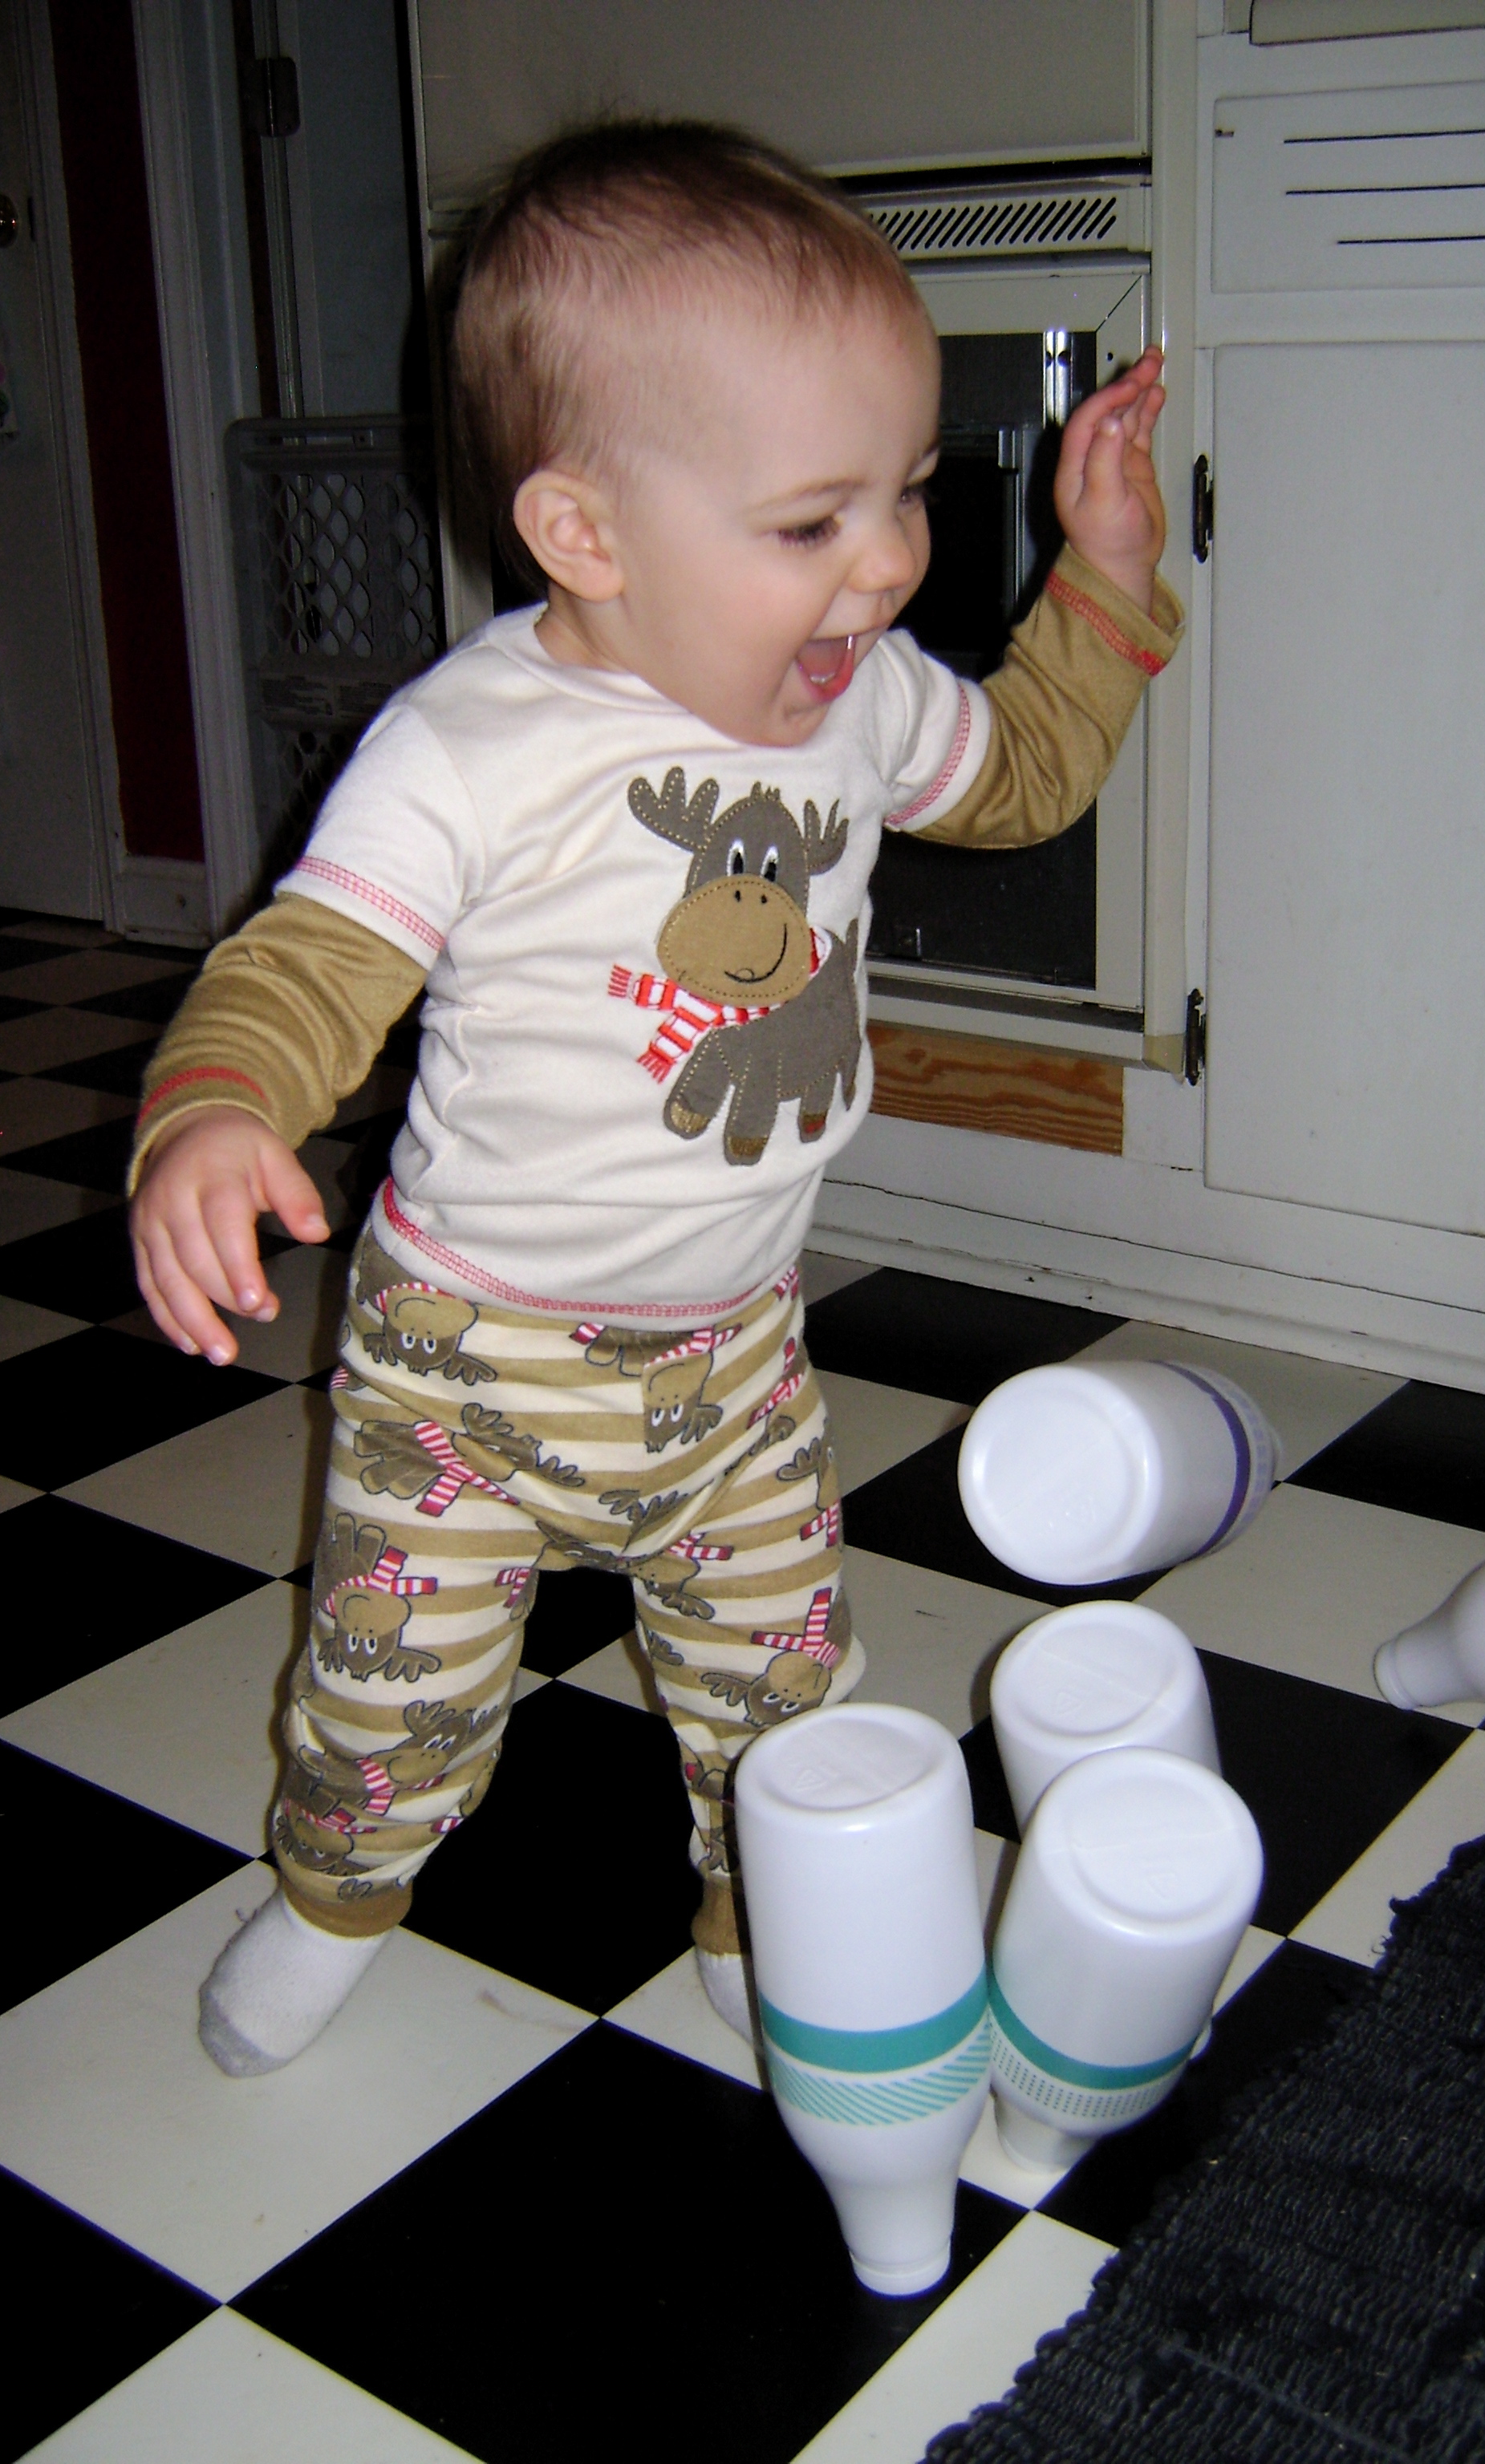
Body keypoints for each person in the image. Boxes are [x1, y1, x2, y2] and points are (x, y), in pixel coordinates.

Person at [128, 120, 1182, 2077]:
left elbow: (1031, 768)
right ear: (584, 536)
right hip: (469, 1367)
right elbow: (308, 967)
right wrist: (213, 1106)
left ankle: (753, 1907)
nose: (889, 563)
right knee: (391, 1693)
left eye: (908, 491)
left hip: (732, 1358)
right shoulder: (470, 748)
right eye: (811, 523)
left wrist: (1106, 572)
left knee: (782, 1687)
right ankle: (336, 1892)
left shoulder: (861, 694)